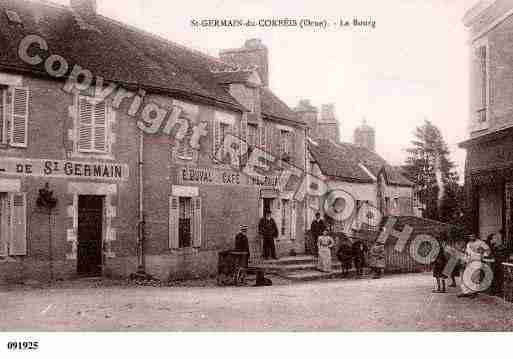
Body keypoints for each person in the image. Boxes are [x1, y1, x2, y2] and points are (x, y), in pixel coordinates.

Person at [457, 234, 491, 299]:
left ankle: (474, 292)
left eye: (473, 236)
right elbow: (467, 253)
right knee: (466, 277)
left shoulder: (481, 243)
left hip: (477, 262)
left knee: (475, 277)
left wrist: (482, 256)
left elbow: (488, 250)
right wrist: (464, 259)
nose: (471, 237)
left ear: (476, 236)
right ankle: (466, 292)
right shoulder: (468, 244)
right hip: (469, 262)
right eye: (470, 236)